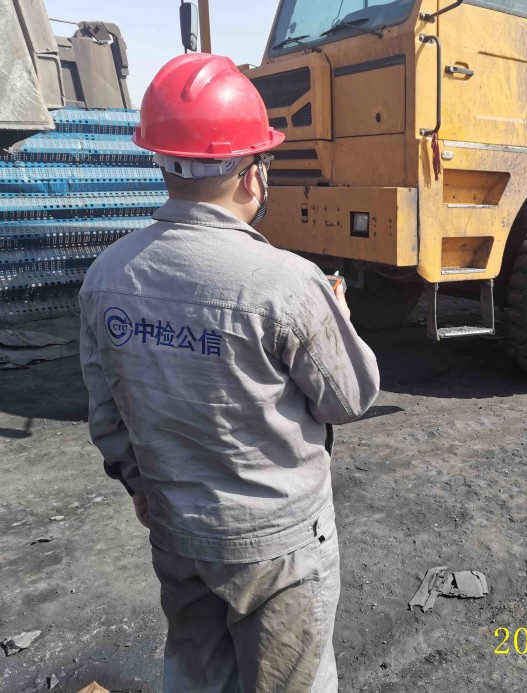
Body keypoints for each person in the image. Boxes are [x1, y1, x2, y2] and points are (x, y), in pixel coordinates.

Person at [79, 53, 380, 693]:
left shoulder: (106, 276)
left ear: (162, 162)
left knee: (195, 677)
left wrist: (139, 483)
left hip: (176, 528)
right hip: (277, 544)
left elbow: (106, 410)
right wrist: (342, 322)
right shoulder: (287, 283)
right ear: (252, 175)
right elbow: (350, 398)